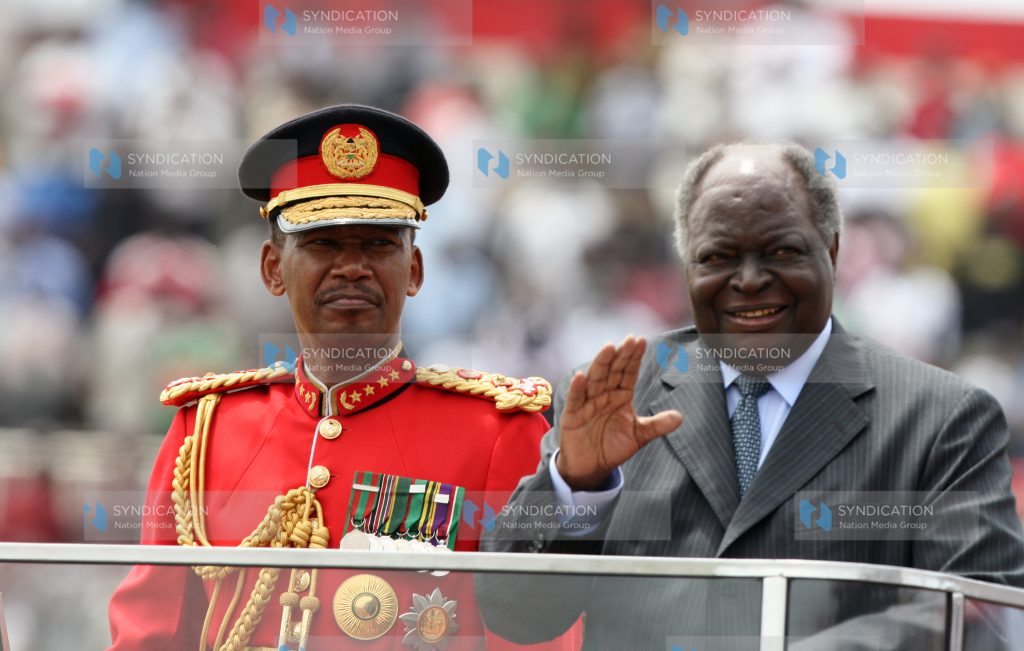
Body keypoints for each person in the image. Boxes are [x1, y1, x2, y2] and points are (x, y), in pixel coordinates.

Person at [478, 142, 1024, 650]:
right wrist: (577, 487)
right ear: (686, 267)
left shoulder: (941, 418)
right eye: (718, 257)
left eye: (781, 250)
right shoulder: (616, 394)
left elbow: (979, 610)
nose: (750, 279)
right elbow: (515, 615)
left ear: (831, 251)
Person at [107, 104, 569, 650]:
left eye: (378, 244)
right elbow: (150, 632)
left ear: (414, 270)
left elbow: (533, 635)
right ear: (272, 269)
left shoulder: (497, 433)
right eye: (323, 244)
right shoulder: (204, 433)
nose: (352, 267)